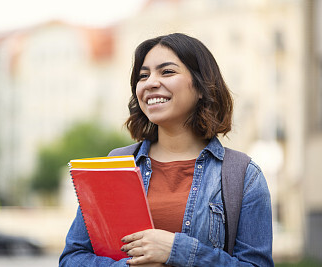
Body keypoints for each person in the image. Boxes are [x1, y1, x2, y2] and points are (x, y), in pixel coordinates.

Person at [59, 33, 273, 266]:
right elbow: (72, 258)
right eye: (143, 75)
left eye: (167, 72)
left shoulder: (244, 176)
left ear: (202, 86)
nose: (151, 82)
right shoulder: (114, 165)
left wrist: (177, 250)